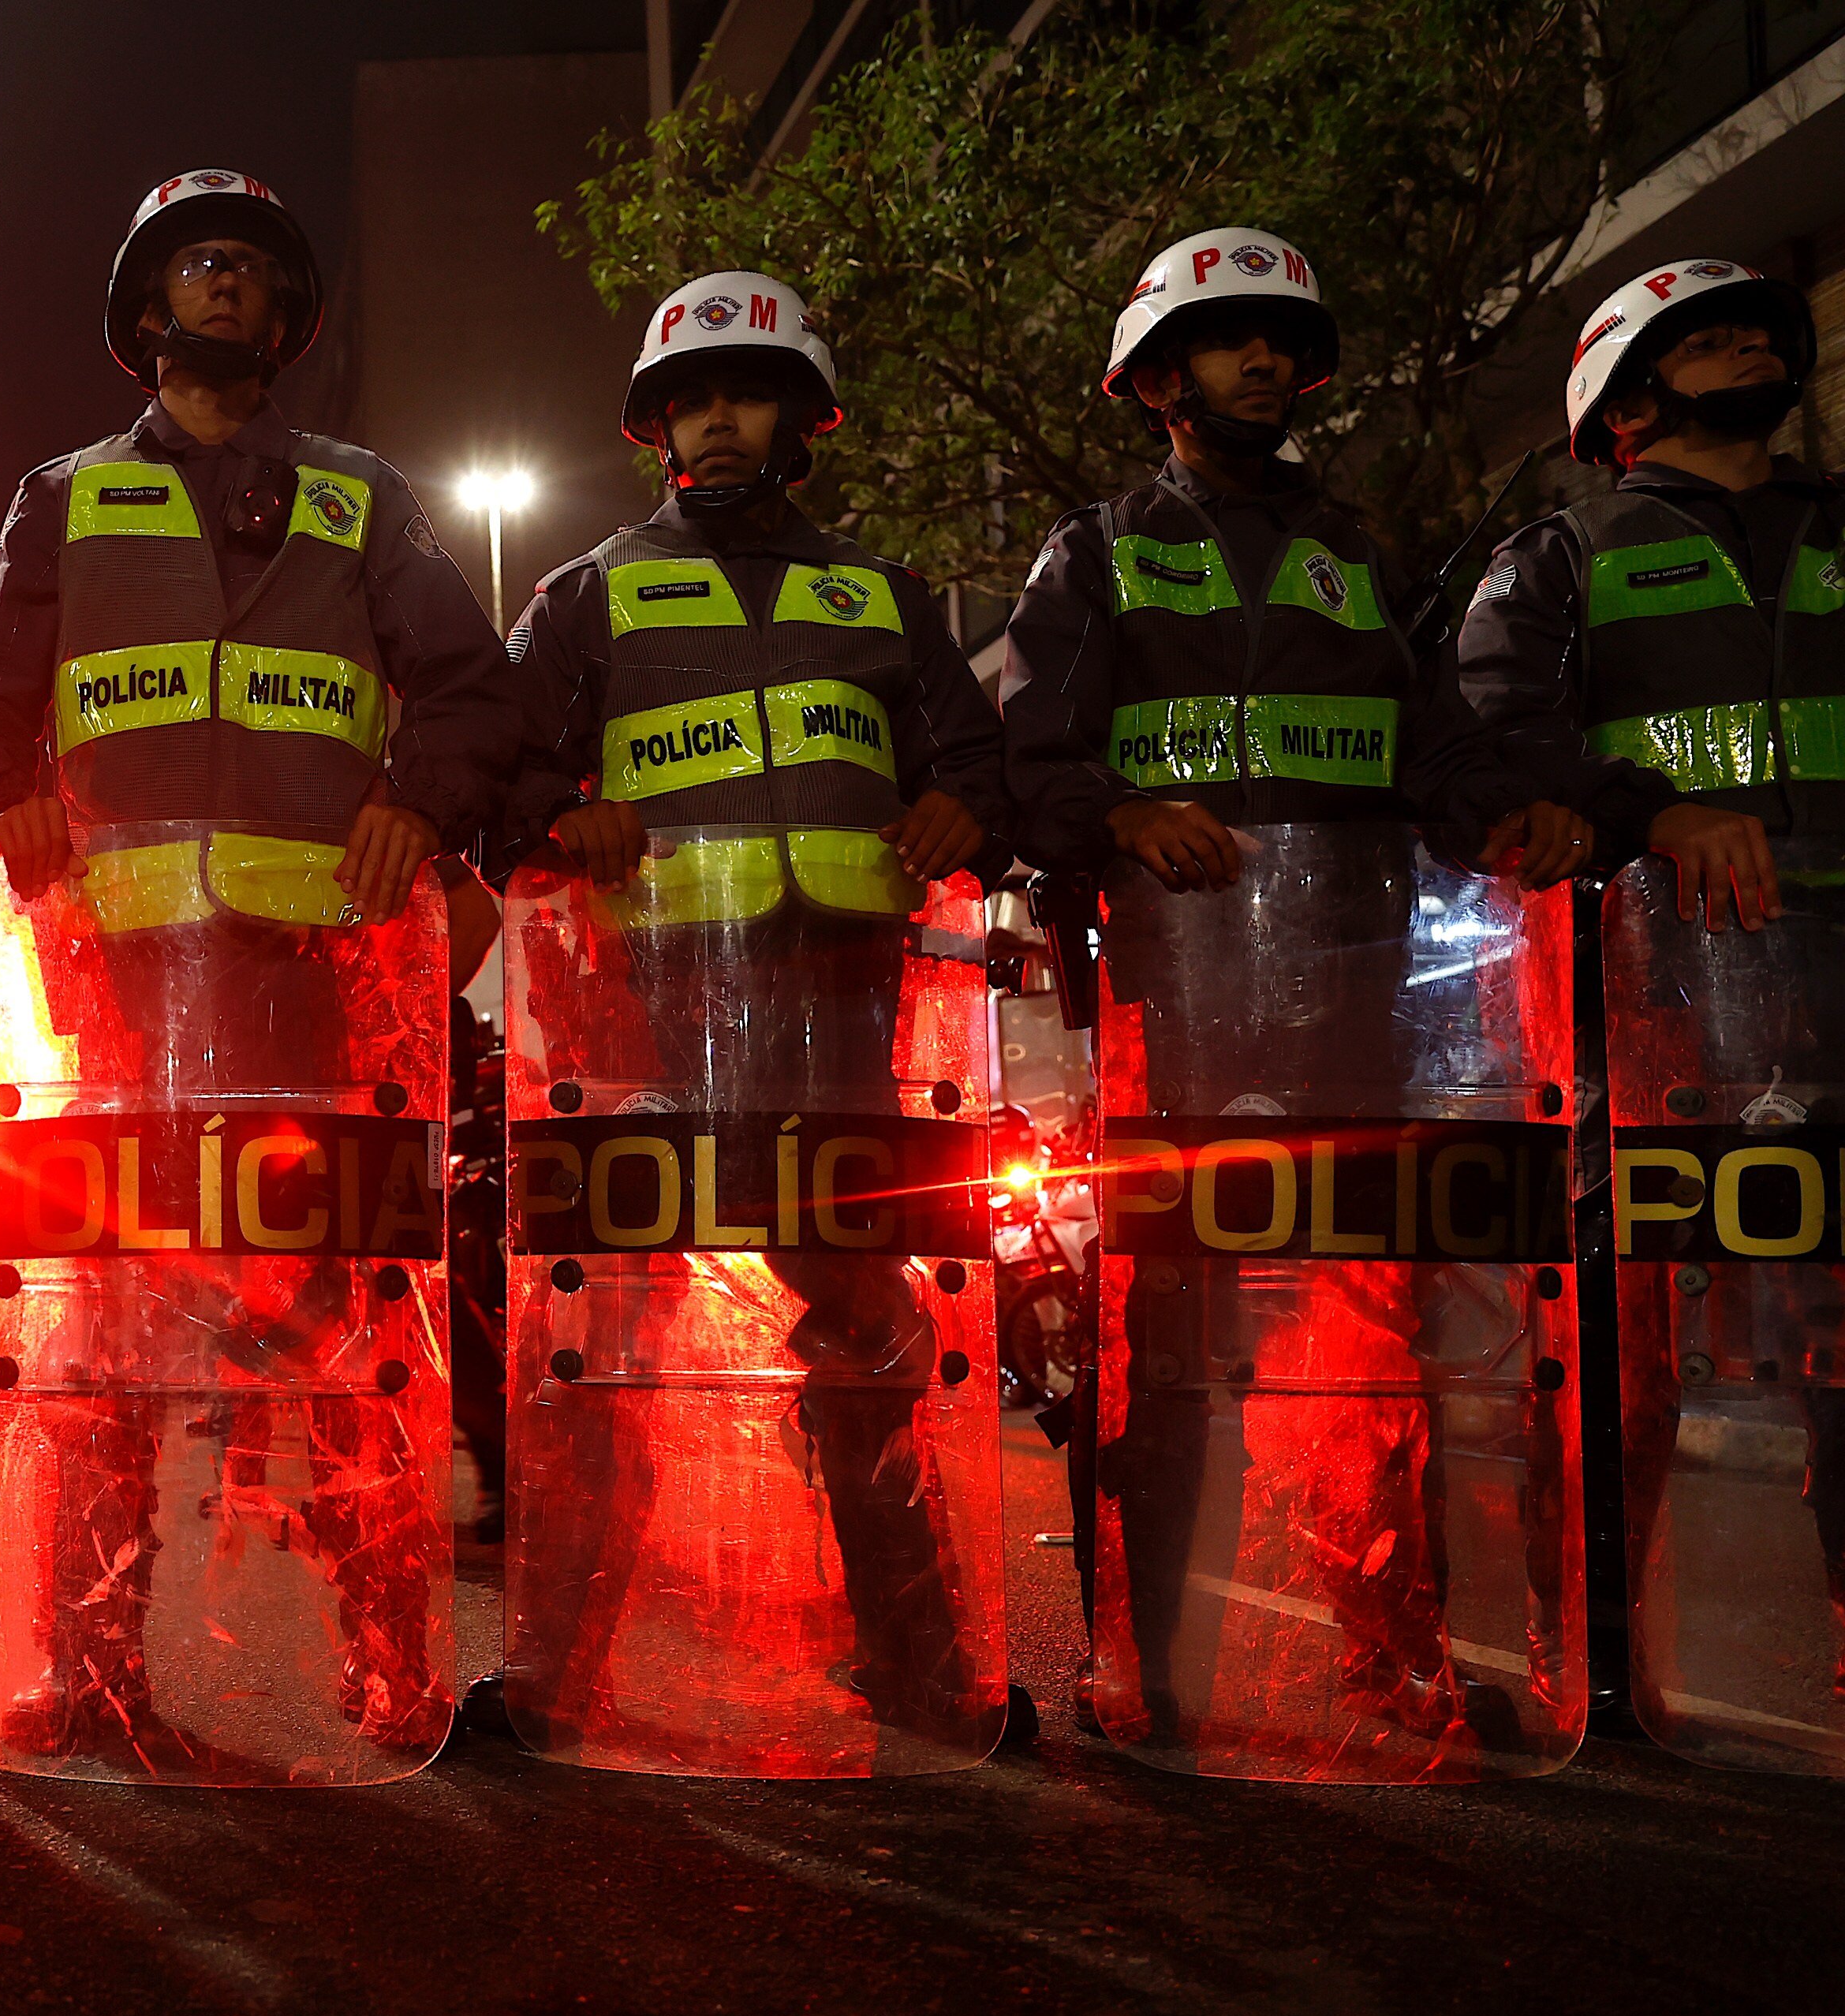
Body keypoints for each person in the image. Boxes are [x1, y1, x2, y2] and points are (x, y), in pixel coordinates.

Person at [0, 168, 521, 1767]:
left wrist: (418, 801)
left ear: (287, 317)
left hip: (315, 991)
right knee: (108, 1350)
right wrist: (5, 793)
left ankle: (387, 1663)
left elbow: (468, 690)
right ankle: (84, 1667)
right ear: (144, 312)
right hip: (112, 998)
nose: (223, 284)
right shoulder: (60, 495)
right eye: (196, 265)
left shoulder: (366, 501)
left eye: (251, 269)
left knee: (333, 1341)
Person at [1003, 226, 1590, 1760]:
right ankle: (1147, 1672)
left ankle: (1393, 1665)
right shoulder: (1098, 552)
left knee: (1369, 1358)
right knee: (1174, 1370)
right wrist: (1116, 815)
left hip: (1351, 1010)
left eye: (1279, 338)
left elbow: (1448, 751)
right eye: (1224, 337)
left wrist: (1530, 814)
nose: (1260, 358)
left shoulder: (1366, 551)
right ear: (1158, 378)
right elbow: (1032, 762)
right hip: (1173, 1028)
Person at [492, 269, 1011, 1759]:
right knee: (611, 1348)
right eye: (693, 398)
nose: (721, 420)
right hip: (646, 1031)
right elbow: (506, 764)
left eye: (751, 392)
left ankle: (919, 1662)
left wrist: (953, 808)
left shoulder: (884, 597)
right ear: (658, 426)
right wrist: (563, 817)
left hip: (841, 1022)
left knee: (862, 1333)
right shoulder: (586, 594)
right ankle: (560, 1676)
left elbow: (978, 762)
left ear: (803, 418)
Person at [1455, 259, 1842, 1713]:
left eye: (1756, 331)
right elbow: (1490, 736)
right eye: (1701, 340)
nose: (1744, 346)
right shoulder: (1558, 558)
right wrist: (1650, 815)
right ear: (1623, 400)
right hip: (1653, 990)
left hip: (1835, 981)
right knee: (1622, 1341)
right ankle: (1601, 1659)